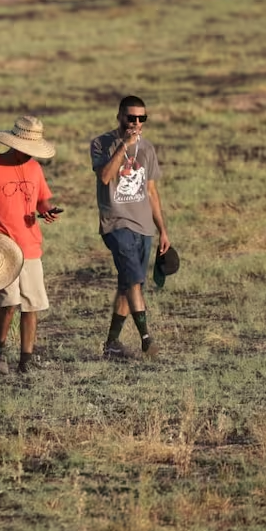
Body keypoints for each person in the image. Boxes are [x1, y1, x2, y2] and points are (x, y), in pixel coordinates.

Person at [0, 116, 61, 376]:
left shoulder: (34, 169)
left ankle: (25, 360)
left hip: (30, 246)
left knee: (32, 305)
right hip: (2, 249)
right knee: (9, 302)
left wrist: (48, 210)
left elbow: (42, 200)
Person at [91, 95, 171, 359]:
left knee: (128, 283)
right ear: (119, 117)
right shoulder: (101, 143)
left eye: (141, 118)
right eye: (131, 117)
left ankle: (112, 344)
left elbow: (151, 191)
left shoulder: (147, 149)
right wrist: (124, 145)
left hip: (144, 225)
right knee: (134, 281)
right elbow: (105, 177)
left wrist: (163, 230)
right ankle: (147, 340)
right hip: (116, 223)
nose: (136, 123)